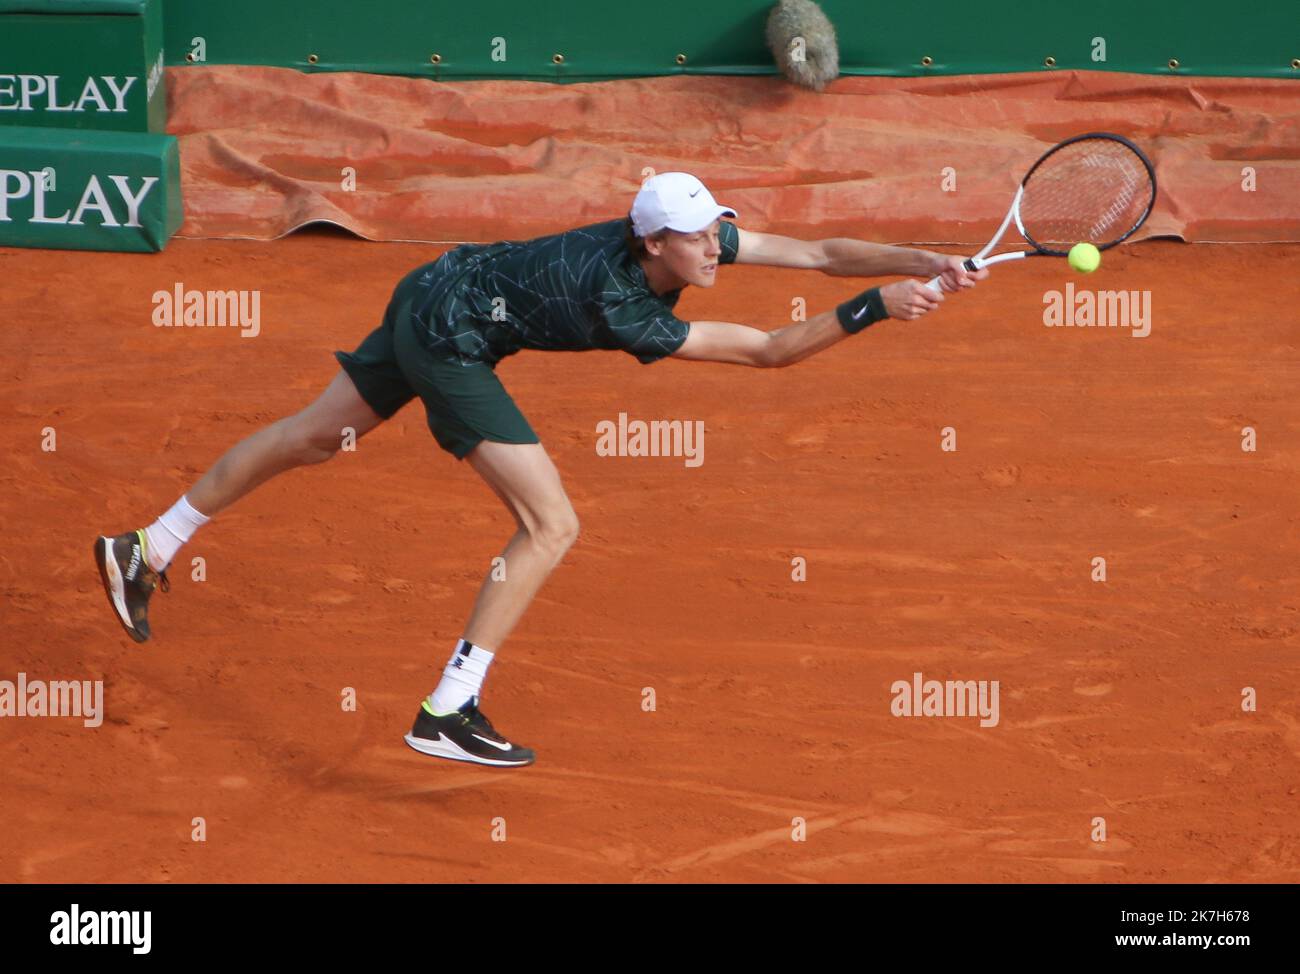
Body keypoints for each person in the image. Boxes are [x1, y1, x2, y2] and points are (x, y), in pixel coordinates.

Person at [94, 171, 987, 768]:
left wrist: (922, 263)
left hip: (433, 286)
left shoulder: (676, 241)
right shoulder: (620, 305)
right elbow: (767, 352)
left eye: (717, 232)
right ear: (652, 248)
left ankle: (147, 545)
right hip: (455, 338)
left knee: (312, 438)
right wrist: (875, 310)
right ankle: (449, 708)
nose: (717, 248)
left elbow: (821, 255)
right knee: (552, 524)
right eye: (698, 240)